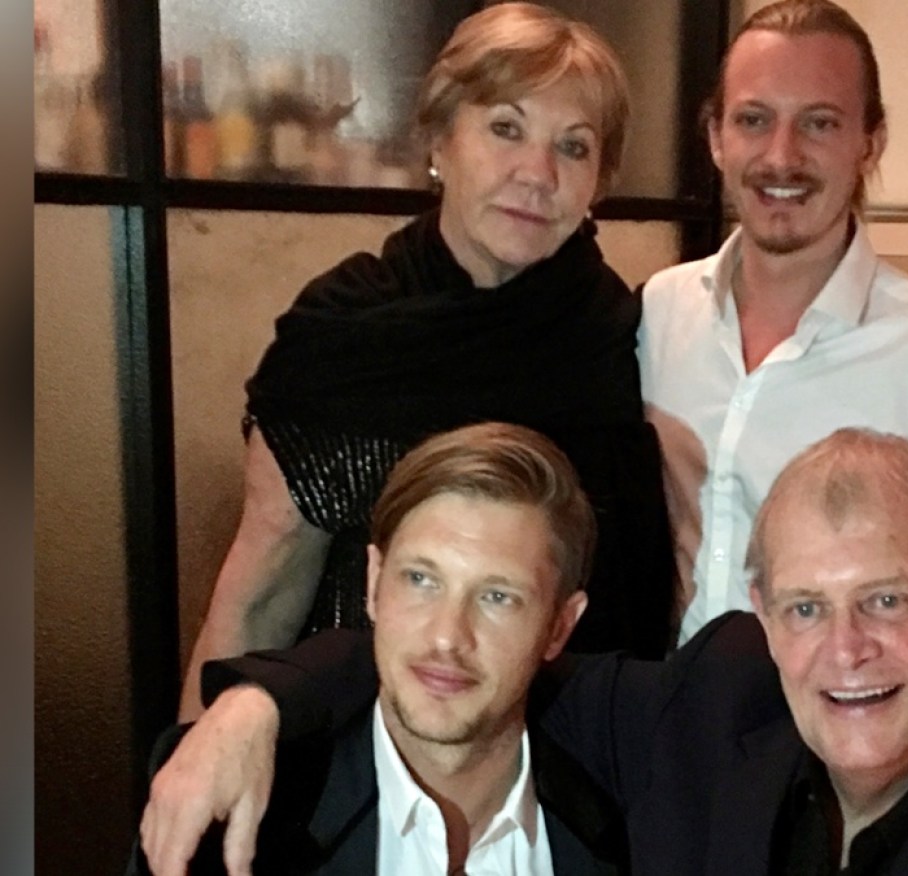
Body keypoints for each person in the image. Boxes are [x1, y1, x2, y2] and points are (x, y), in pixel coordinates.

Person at [140, 428, 908, 875]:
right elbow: (455, 670)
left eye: (887, 599)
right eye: (806, 608)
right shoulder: (721, 713)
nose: (844, 650)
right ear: (761, 617)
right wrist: (255, 707)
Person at [180, 2, 676, 718]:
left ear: (599, 180)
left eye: (573, 147)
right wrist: (191, 767)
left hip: (570, 750)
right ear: (440, 139)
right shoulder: (345, 331)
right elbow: (262, 588)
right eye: (506, 128)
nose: (537, 172)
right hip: (353, 735)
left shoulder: (622, 335)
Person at [639, 0, 908, 724]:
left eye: (820, 122)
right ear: (714, 137)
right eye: (753, 119)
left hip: (843, 764)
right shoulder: (657, 314)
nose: (780, 156)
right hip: (669, 749)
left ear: (870, 141)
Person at [136, 422, 629, 875]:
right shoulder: (240, 805)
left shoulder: (633, 817)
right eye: (420, 579)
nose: (447, 636)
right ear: (373, 583)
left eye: (498, 597)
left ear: (561, 626)